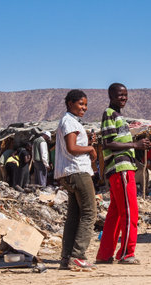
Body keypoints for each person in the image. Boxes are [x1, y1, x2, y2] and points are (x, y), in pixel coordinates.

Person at [96, 83, 151, 265]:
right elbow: (107, 143)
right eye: (120, 95)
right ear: (111, 96)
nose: (124, 98)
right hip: (120, 169)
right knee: (130, 212)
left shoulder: (119, 116)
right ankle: (126, 253)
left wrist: (138, 144)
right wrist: (135, 145)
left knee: (115, 214)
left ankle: (104, 255)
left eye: (125, 95)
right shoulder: (109, 114)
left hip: (120, 169)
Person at [55, 89, 97, 271]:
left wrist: (88, 144)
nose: (84, 108)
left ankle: (66, 256)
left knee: (74, 216)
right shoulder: (69, 122)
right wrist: (90, 149)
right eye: (81, 104)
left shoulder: (69, 122)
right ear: (70, 103)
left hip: (68, 172)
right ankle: (78, 255)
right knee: (89, 213)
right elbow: (72, 148)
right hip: (77, 172)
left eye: (86, 104)